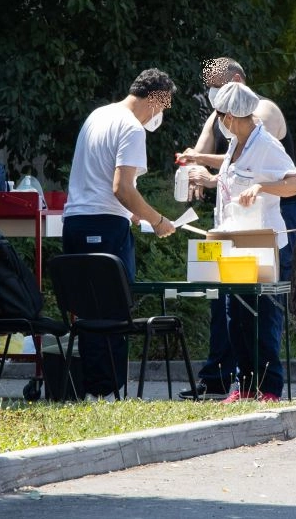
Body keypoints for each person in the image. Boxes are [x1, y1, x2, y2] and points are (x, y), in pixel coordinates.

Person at [177, 57, 296, 398]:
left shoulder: (266, 144)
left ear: (231, 117)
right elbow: (233, 177)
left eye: (220, 116)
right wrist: (209, 175)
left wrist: (262, 188)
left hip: (260, 242)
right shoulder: (236, 142)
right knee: (235, 314)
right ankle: (244, 386)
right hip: (232, 237)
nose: (218, 123)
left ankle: (268, 387)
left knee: (260, 316)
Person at [62, 68, 177, 396]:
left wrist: (133, 217)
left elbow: (96, 182)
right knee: (112, 310)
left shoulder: (98, 115)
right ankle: (108, 392)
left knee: (87, 310)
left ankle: (90, 391)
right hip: (105, 228)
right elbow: (121, 188)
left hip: (76, 224)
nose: (160, 115)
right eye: (163, 106)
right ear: (155, 98)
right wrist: (156, 220)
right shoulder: (132, 128)